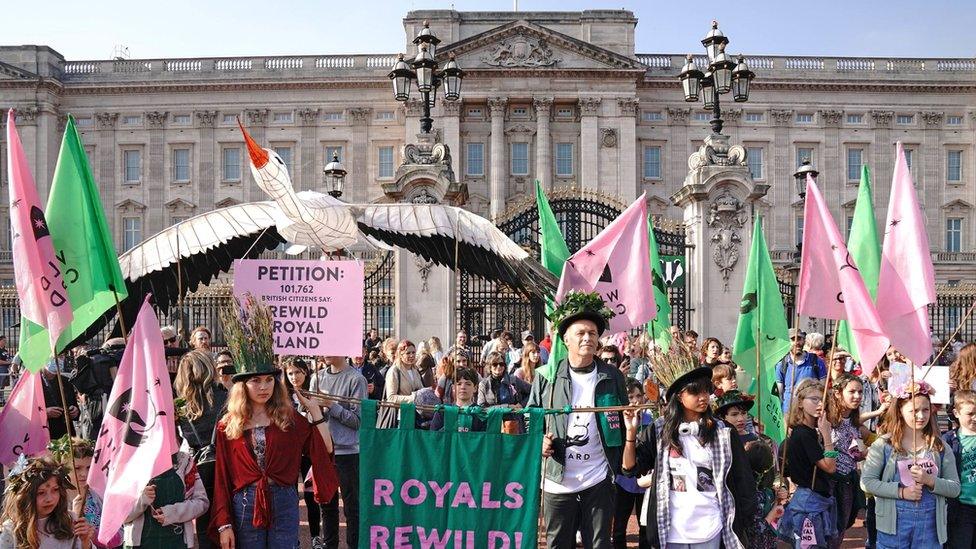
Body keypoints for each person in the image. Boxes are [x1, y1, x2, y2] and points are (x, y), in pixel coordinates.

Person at [210, 295, 338, 549]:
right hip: (245, 504)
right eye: (256, 381)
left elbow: (325, 450)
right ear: (242, 386)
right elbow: (222, 478)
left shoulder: (289, 419)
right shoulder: (228, 424)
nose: (264, 387)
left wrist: (316, 414)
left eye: (269, 380)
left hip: (284, 500)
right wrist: (224, 524)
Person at [622, 345, 755, 548]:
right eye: (695, 392)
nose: (703, 397)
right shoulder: (659, 430)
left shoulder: (723, 432)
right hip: (671, 529)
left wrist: (743, 519)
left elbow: (742, 478)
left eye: (705, 391)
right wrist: (631, 434)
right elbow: (630, 468)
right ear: (679, 396)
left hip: (711, 527)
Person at [528, 291, 629, 549]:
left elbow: (623, 416)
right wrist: (538, 440)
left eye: (593, 333)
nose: (587, 338)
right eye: (580, 333)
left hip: (598, 478)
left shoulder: (612, 376)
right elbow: (531, 419)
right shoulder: (546, 377)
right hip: (557, 480)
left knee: (600, 544)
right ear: (565, 339)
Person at [860, 379, 960, 548]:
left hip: (930, 529)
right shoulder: (883, 445)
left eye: (925, 410)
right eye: (914, 410)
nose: (921, 416)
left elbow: (955, 488)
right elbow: (867, 482)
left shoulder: (940, 446)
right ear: (900, 411)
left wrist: (930, 481)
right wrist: (901, 492)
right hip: (893, 527)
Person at [173, 350, 227, 549]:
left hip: (198, 466)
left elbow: (176, 442)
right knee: (229, 519)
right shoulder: (225, 397)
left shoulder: (181, 406)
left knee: (204, 523)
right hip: (225, 464)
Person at [314, 356, 367, 549]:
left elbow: (358, 421)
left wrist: (331, 404)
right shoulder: (317, 377)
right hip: (323, 452)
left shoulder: (356, 379)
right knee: (326, 506)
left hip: (348, 452)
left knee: (352, 508)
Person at [778, 379, 838, 548]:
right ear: (801, 404)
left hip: (812, 499)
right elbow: (830, 466)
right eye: (814, 399)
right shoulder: (803, 434)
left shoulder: (810, 432)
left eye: (822, 400)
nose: (820, 404)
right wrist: (827, 435)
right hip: (809, 502)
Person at [0, 455, 96, 549]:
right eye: (41, 493)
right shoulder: (11, 530)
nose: (49, 499)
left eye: (55, 490)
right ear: (25, 496)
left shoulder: (70, 521)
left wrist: (85, 542)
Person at [122, 449, 208, 548]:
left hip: (178, 542)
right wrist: (142, 501)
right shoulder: (129, 462)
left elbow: (202, 502)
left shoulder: (185, 461)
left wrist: (173, 513)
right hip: (139, 544)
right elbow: (117, 516)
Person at [827, 372, 867, 549]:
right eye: (852, 391)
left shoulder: (854, 420)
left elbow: (868, 437)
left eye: (860, 392)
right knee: (827, 531)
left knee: (840, 530)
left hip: (848, 482)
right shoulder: (825, 418)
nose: (857, 396)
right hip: (828, 483)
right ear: (838, 393)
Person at [612, 379, 652, 549]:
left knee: (645, 525)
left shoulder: (650, 420)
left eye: (639, 396)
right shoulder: (620, 422)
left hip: (646, 480)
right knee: (620, 524)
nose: (636, 401)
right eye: (630, 396)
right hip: (624, 481)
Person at [943, 389, 976, 549]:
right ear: (956, 413)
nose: (975, 418)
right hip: (962, 506)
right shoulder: (949, 440)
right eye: (970, 414)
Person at [477, 351, 530, 433]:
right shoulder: (483, 384)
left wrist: (521, 404)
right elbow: (482, 408)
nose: (498, 367)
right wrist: (508, 406)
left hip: (513, 425)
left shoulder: (514, 380)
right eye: (495, 364)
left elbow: (533, 391)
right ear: (489, 367)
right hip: (492, 425)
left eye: (501, 364)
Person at [775, 328, 827, 412]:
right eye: (793, 339)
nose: (796, 343)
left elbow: (822, 389)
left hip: (810, 412)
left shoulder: (816, 361)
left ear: (804, 340)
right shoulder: (782, 365)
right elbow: (778, 393)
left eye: (799, 339)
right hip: (789, 413)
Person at [376, 340, 424, 429]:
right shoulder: (394, 371)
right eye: (408, 353)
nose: (411, 355)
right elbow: (391, 397)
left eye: (413, 352)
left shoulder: (415, 370)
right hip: (399, 418)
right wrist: (412, 398)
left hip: (415, 416)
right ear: (400, 355)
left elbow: (421, 390)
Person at [430, 367, 486, 432]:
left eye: (468, 384)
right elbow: (433, 437)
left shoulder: (480, 414)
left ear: (475, 388)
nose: (463, 387)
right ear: (453, 387)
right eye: (459, 384)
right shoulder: (442, 412)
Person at [41, 359, 80, 441]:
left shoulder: (66, 381)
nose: (58, 359)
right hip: (44, 433)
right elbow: (26, 411)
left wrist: (75, 411)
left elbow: (74, 404)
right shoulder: (35, 382)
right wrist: (45, 413)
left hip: (65, 432)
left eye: (61, 356)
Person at [0, 335, 11, 405]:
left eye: (6, 341)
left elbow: (8, 358)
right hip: (1, 369)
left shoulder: (5, 350)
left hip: (6, 369)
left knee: (3, 385)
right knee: (0, 385)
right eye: (4, 340)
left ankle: (1, 399)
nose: (5, 342)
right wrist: (8, 362)